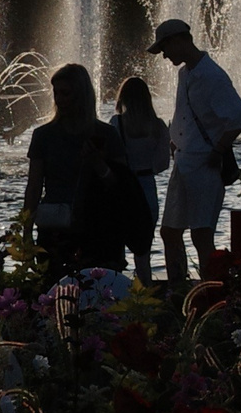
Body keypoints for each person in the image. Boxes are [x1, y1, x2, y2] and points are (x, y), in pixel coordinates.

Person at [149, 17, 241, 283]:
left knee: (201, 234)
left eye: (165, 48)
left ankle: (214, 292)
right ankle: (179, 290)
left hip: (204, 166)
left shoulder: (212, 75)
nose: (164, 56)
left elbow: (239, 117)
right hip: (183, 163)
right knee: (169, 232)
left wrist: (217, 151)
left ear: (180, 40)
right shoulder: (186, 73)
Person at [22, 65, 119, 286]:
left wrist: (98, 164)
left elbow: (118, 184)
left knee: (96, 292)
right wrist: (26, 231)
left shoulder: (106, 135)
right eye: (56, 93)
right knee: (53, 290)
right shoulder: (43, 136)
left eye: (66, 93)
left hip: (95, 226)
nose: (60, 100)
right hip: (54, 229)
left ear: (82, 95)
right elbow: (34, 187)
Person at [109, 77, 173, 281]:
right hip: (147, 187)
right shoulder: (158, 126)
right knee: (143, 249)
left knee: (116, 245)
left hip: (122, 187)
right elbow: (163, 163)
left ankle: (114, 292)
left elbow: (110, 158)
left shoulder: (116, 123)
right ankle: (145, 292)